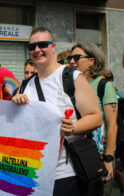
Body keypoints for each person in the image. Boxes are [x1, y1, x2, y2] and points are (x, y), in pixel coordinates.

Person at [13, 27, 102, 196]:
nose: (37, 50)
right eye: (32, 47)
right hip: (34, 172)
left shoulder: (71, 77)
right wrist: (16, 103)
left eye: (42, 45)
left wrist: (74, 127)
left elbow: (96, 117)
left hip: (65, 172)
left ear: (53, 47)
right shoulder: (26, 85)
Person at [70, 43, 118, 196]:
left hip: (99, 155)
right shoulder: (71, 85)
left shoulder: (104, 86)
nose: (71, 61)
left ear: (92, 61)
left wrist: (108, 159)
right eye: (70, 58)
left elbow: (112, 126)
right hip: (78, 154)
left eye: (77, 57)